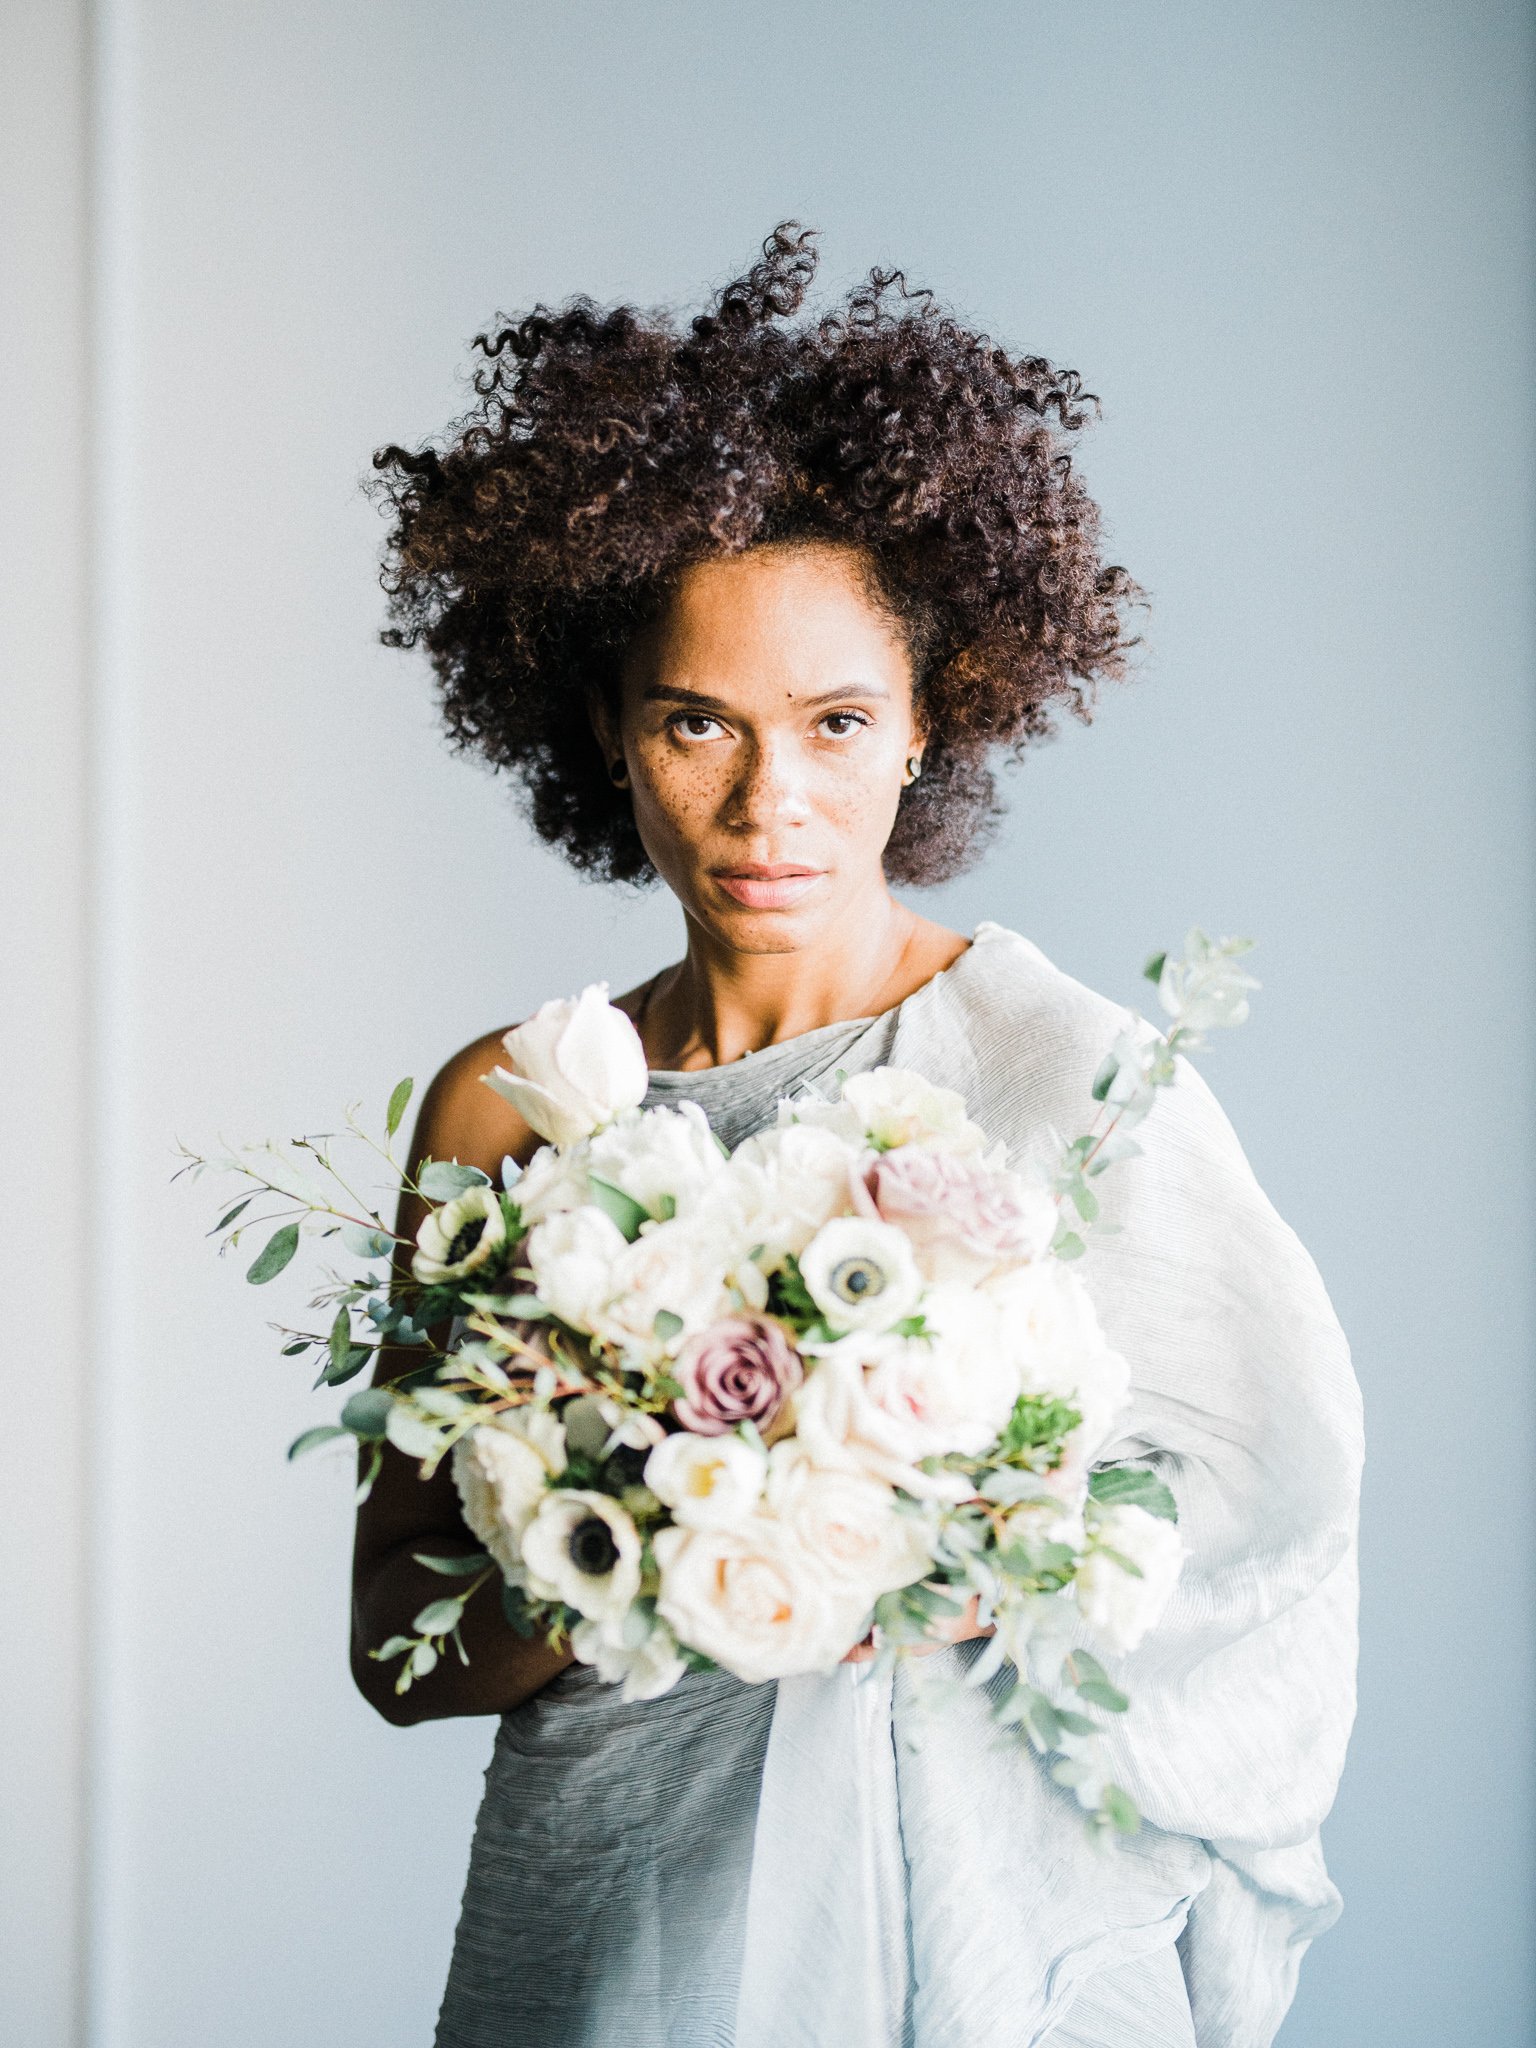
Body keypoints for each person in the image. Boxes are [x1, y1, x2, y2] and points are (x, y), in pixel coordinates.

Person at [352, 224, 1363, 2048]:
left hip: (946, 1950)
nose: (769, 801)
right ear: (603, 730)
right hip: (599, 1929)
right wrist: (643, 1532)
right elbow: (393, 1651)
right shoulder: (505, 1102)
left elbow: (1263, 1519)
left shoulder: (1067, 1083)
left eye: (834, 722)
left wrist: (935, 1534)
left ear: (927, 728)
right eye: (695, 724)